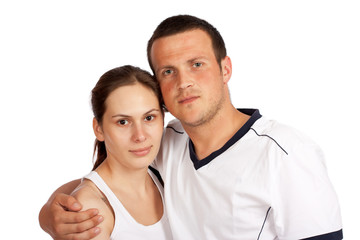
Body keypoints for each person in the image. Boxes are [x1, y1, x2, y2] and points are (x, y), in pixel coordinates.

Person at [39, 15, 343, 240]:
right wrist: (51, 212)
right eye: (169, 71)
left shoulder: (286, 155)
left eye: (197, 64)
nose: (183, 82)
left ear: (225, 69)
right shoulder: (164, 141)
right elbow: (112, 176)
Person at [45, 65, 172, 239]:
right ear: (99, 129)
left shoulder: (167, 174)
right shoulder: (90, 210)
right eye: (123, 122)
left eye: (149, 118)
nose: (140, 136)